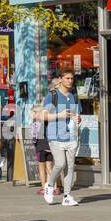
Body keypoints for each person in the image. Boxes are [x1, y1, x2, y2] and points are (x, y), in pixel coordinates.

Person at [41, 69, 81, 206]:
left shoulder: (74, 96)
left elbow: (77, 114)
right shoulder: (52, 95)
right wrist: (60, 115)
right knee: (60, 163)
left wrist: (78, 119)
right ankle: (49, 185)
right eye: (67, 78)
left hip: (71, 136)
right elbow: (44, 116)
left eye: (72, 78)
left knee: (70, 166)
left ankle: (67, 196)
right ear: (60, 79)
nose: (70, 81)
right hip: (55, 135)